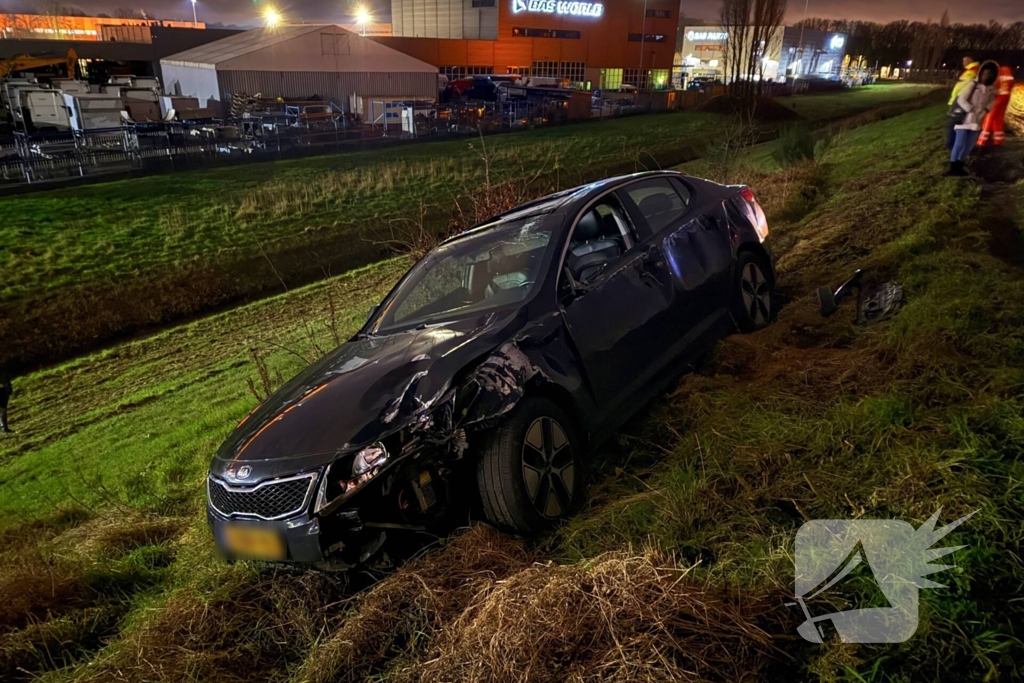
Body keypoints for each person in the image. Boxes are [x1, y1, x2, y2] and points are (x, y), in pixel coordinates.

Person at [948, 61, 998, 177]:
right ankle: (953, 167)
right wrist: (970, 109)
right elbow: (961, 99)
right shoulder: (972, 85)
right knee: (959, 144)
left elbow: (992, 101)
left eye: (989, 74)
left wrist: (986, 109)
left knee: (969, 146)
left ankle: (960, 166)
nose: (986, 76)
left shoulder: (991, 89)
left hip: (977, 121)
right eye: (984, 73)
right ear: (980, 73)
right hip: (964, 119)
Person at [947, 56, 981, 150]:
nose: (963, 62)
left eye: (965, 60)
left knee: (955, 123)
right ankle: (954, 144)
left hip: (961, 101)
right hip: (959, 100)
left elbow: (964, 87)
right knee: (957, 123)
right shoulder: (969, 70)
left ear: (971, 60)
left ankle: (952, 145)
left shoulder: (972, 70)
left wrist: (957, 99)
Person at [978, 65, 1015, 147]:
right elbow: (1011, 87)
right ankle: (998, 140)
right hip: (1006, 96)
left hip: (997, 97)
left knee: (989, 117)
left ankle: (982, 140)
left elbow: (993, 87)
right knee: (998, 118)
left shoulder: (998, 76)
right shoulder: (1010, 77)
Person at [0, 366, 12, 434]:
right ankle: (3, 428)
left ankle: (4, 428)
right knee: (1, 410)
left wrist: (9, 389)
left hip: (4, 391)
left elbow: (7, 379)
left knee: (3, 410)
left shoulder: (3, 368)